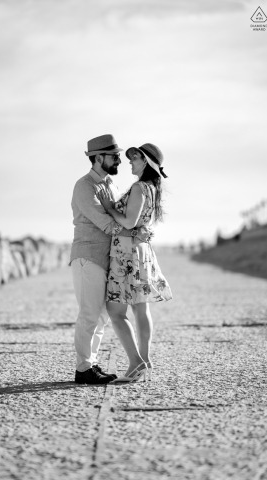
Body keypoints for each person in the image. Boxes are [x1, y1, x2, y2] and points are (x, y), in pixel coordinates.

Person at [70, 134, 152, 385]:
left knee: (103, 315)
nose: (119, 159)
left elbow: (123, 216)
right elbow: (107, 223)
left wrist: (142, 228)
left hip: (108, 259)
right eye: (114, 156)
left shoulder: (111, 185)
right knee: (89, 313)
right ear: (98, 158)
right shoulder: (85, 186)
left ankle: (90, 365)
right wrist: (136, 232)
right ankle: (83, 368)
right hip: (88, 257)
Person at [100, 143, 172, 383]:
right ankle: (144, 358)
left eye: (134, 159)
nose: (130, 162)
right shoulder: (151, 188)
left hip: (127, 254)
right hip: (140, 251)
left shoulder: (139, 187)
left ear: (145, 162)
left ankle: (135, 362)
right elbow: (141, 225)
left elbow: (130, 222)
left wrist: (110, 208)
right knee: (141, 308)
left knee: (115, 310)